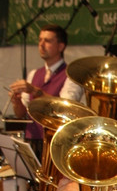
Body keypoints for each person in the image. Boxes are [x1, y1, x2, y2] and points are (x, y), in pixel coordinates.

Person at [9, 24, 84, 156]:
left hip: (56, 144)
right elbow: (21, 114)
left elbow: (65, 109)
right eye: (40, 40)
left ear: (61, 46)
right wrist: (16, 102)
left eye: (47, 41)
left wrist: (35, 91)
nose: (41, 45)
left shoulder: (71, 76)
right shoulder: (34, 74)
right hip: (32, 140)